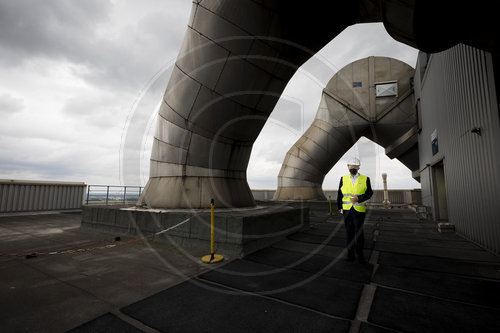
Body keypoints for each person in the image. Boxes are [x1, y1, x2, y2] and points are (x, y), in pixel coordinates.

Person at [337, 157, 373, 263]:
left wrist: (359, 198)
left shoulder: (365, 179)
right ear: (348, 167)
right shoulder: (343, 178)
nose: (353, 167)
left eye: (355, 166)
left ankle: (360, 254)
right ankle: (350, 254)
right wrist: (339, 207)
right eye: (351, 166)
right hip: (347, 209)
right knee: (349, 232)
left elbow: (369, 193)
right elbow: (340, 194)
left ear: (359, 167)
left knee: (359, 232)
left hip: (359, 210)